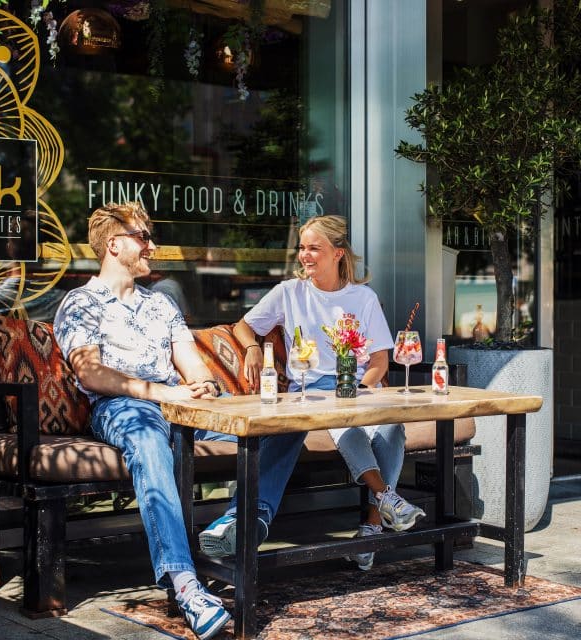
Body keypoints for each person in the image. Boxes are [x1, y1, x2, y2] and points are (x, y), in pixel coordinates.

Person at [53, 202, 305, 639]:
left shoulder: (161, 304)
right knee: (149, 442)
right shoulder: (80, 303)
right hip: (124, 406)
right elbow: (91, 373)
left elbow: (193, 365)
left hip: (179, 405)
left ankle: (242, 519)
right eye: (144, 236)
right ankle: (186, 585)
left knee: (285, 418)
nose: (153, 244)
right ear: (114, 244)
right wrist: (164, 393)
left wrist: (203, 385)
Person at [228, 214, 426, 572]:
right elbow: (243, 327)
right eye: (302, 248)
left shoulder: (363, 297)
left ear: (337, 253)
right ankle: (387, 500)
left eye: (314, 248)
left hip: (361, 386)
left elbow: (380, 361)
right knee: (348, 425)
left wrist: (360, 392)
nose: (305, 255)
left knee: (392, 428)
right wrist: (252, 348)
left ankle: (371, 526)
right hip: (313, 387)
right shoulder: (289, 292)